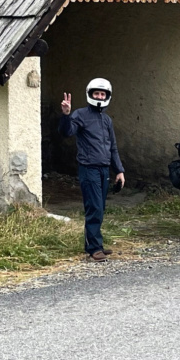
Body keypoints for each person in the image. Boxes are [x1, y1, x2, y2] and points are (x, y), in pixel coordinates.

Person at [59, 78, 126, 262]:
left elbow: (113, 147)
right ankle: (93, 249)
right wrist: (66, 115)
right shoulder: (80, 114)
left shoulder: (106, 120)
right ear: (90, 94)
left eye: (102, 94)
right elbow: (66, 132)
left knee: (100, 207)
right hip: (88, 169)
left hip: (104, 170)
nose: (99, 96)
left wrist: (119, 170)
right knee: (94, 207)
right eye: (96, 93)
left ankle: (97, 244)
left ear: (107, 96)